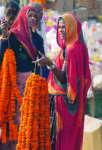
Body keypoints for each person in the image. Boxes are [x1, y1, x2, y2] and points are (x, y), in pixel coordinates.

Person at [33, 13, 91, 150]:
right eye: (59, 27)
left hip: (63, 106)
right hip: (72, 106)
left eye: (64, 27)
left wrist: (50, 64)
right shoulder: (79, 46)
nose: (60, 30)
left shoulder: (70, 50)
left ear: (72, 27)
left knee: (60, 142)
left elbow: (65, 78)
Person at [0, 6, 46, 150]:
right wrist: (3, 37)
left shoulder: (37, 39)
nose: (33, 19)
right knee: (14, 120)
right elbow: (1, 57)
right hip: (15, 87)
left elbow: (42, 62)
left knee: (29, 121)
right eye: (30, 15)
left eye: (34, 16)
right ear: (22, 17)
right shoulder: (13, 37)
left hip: (32, 86)